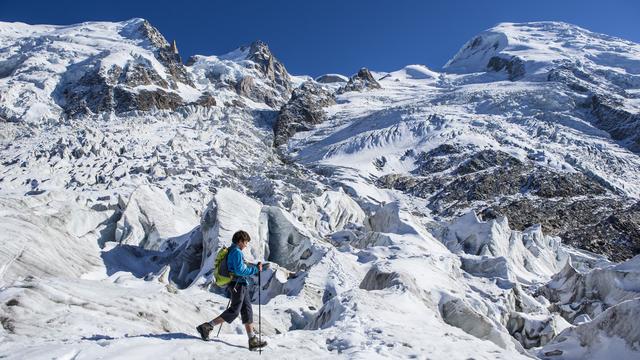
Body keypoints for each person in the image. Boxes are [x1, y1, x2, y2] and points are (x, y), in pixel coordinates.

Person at [196, 230, 268, 350]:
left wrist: (254, 267)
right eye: (245, 242)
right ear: (240, 241)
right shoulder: (236, 252)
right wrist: (255, 270)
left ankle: (252, 340)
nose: (246, 245)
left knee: (247, 310)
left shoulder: (232, 250)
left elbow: (238, 268)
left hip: (239, 284)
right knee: (235, 310)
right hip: (237, 284)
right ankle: (207, 326)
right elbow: (240, 271)